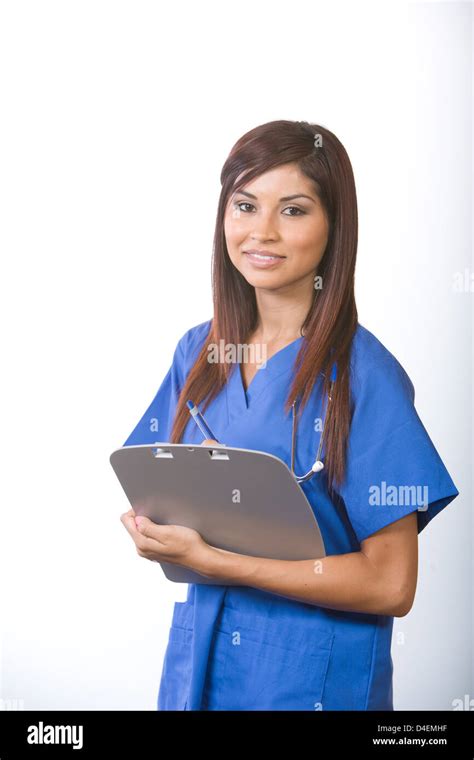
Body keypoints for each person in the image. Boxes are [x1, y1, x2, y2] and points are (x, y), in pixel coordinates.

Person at [119, 120, 459, 711]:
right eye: (245, 205)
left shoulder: (363, 375)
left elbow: (391, 583)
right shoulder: (199, 354)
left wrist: (217, 561)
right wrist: (154, 534)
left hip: (309, 684)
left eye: (294, 210)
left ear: (335, 228)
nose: (262, 232)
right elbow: (152, 486)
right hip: (200, 668)